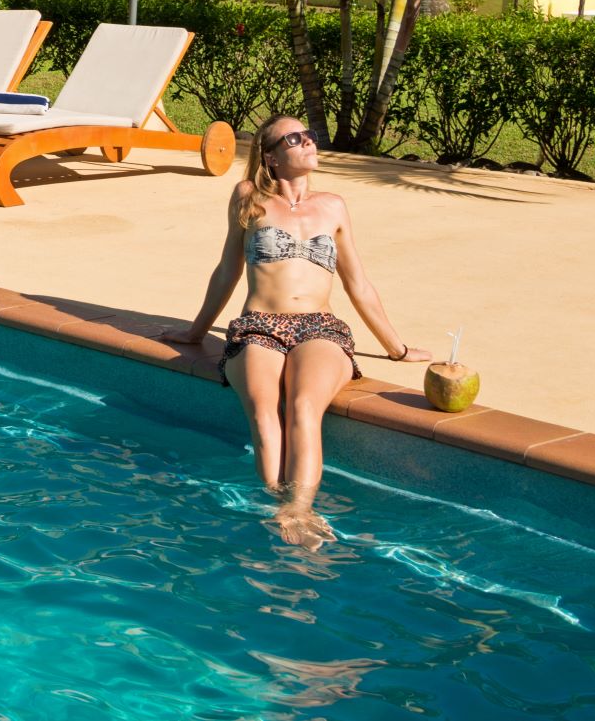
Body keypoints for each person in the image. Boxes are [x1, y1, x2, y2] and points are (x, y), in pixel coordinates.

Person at [164, 116, 429, 547]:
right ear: (270, 157)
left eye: (309, 135)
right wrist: (195, 333)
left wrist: (397, 349)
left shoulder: (334, 205)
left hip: (320, 327)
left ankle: (299, 509)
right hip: (258, 326)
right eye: (295, 138)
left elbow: (357, 282)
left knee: (304, 406)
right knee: (263, 410)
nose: (309, 141)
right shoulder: (248, 196)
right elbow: (227, 270)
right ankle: (276, 507)